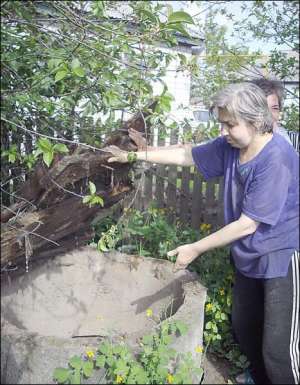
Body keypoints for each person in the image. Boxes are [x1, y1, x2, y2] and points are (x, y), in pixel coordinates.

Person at [107, 82, 299, 385]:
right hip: (249, 253)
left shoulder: (278, 157)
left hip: (281, 256)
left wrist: (195, 247)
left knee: (279, 349)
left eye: (230, 124)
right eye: (222, 123)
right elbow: (187, 156)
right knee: (245, 329)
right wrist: (132, 157)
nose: (223, 131)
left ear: (255, 119)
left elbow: (249, 223)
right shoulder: (231, 147)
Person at [127, 77, 293, 151]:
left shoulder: (282, 149)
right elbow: (190, 151)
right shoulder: (236, 139)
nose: (268, 115)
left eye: (275, 108)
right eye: (263, 108)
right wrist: (147, 150)